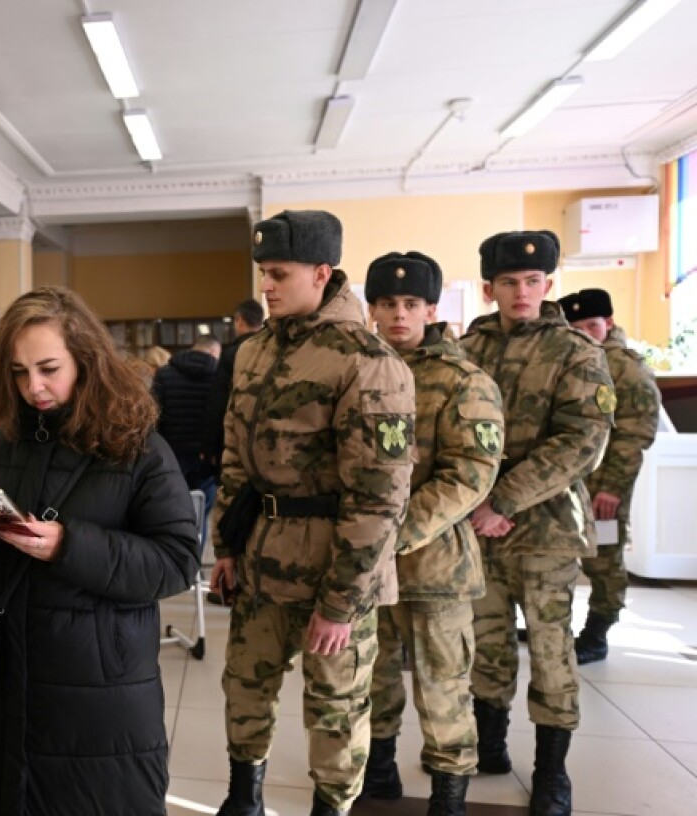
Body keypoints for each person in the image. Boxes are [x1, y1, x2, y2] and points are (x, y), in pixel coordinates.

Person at [0, 286, 200, 815]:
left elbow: (177, 562)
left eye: (48, 368)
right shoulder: (1, 444)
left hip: (97, 696)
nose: (33, 387)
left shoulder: (137, 445)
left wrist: (68, 546)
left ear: (86, 360)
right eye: (18, 372)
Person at [209, 210, 415, 816]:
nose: (265, 287)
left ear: (322, 273)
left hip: (333, 567)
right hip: (259, 559)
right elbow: (235, 457)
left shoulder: (366, 361)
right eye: (262, 274)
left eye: (278, 273)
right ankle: (242, 800)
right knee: (244, 688)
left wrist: (340, 603)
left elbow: (379, 498)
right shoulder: (253, 352)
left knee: (335, 709)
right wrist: (225, 543)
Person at [461, 232, 613, 816]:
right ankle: (490, 747)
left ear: (549, 284)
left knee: (551, 650)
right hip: (476, 525)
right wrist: (476, 505)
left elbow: (582, 441)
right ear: (490, 287)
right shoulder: (466, 348)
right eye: (508, 283)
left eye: (531, 282)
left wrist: (505, 500)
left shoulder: (576, 351)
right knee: (486, 642)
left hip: (544, 530)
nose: (520, 292)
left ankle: (552, 772)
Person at [362, 252, 504, 814]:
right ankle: (379, 776)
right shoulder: (358, 370)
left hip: (435, 564)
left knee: (444, 688)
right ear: (371, 309)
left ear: (431, 309)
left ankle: (448, 794)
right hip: (368, 564)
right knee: (373, 679)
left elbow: (470, 471)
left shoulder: (463, 379)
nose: (400, 315)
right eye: (388, 304)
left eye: (411, 304)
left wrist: (394, 533)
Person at [557, 288, 660, 664]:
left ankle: (598, 632)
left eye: (592, 325)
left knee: (603, 558)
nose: (585, 333)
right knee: (560, 557)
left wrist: (614, 489)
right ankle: (558, 626)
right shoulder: (569, 362)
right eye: (576, 327)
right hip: (568, 483)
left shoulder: (626, 368)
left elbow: (635, 435)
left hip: (604, 489)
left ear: (609, 323)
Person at [152, 334, 222, 515]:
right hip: (205, 456)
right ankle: (197, 540)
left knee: (173, 508)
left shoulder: (164, 373)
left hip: (171, 454)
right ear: (214, 351)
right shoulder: (219, 377)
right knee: (202, 506)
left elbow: (153, 417)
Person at [202, 298, 265, 475]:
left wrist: (210, 446)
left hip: (235, 437)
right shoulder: (273, 351)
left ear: (239, 320)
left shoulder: (231, 354)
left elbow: (218, 402)